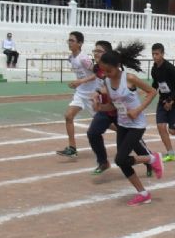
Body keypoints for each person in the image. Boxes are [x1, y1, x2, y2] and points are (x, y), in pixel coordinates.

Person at [95, 42, 164, 206]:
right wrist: (100, 107)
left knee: (120, 158)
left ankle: (152, 158)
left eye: (109, 71)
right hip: (123, 124)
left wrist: (138, 110)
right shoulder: (107, 82)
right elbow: (112, 106)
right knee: (122, 162)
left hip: (136, 125)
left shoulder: (130, 78)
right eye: (104, 71)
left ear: (118, 66)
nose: (107, 74)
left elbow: (152, 92)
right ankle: (143, 193)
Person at [85, 40, 152, 176]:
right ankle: (103, 162)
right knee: (93, 133)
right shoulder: (98, 69)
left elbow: (114, 87)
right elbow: (106, 86)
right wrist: (98, 104)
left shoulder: (119, 73)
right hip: (108, 109)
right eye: (95, 50)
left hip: (121, 112)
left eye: (99, 51)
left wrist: (98, 92)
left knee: (133, 143)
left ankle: (149, 161)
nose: (96, 53)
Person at [56, 31, 96, 157]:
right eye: (69, 40)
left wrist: (80, 81)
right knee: (68, 116)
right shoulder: (71, 58)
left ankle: (125, 131)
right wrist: (77, 83)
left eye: (72, 40)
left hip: (92, 94)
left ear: (80, 43)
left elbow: (98, 74)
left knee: (104, 122)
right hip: (80, 93)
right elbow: (81, 75)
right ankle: (72, 148)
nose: (69, 43)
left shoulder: (84, 59)